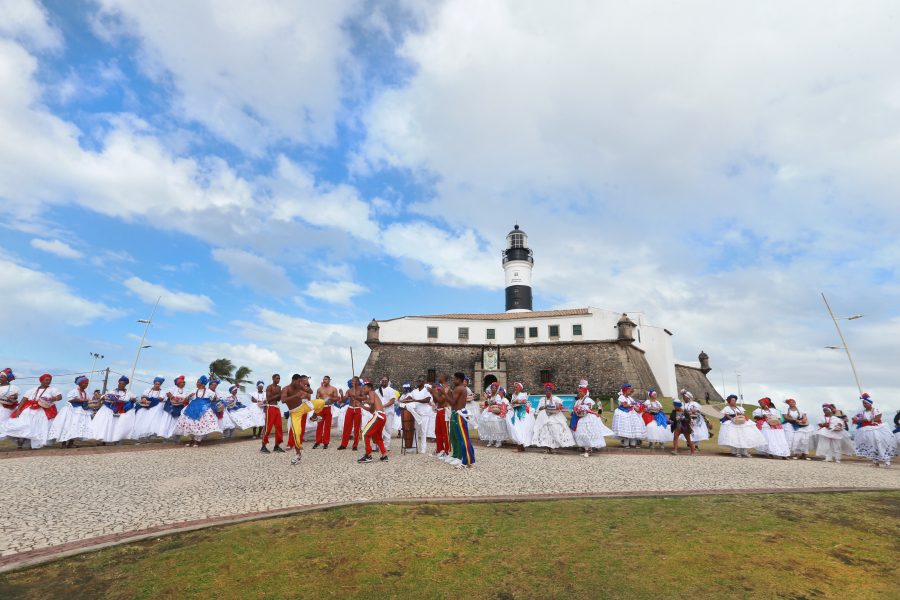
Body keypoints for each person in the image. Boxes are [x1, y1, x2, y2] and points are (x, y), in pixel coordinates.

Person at [3, 373, 60, 449]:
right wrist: (18, 410)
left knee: (36, 427)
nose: (48, 381)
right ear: (41, 380)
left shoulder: (53, 389)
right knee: (23, 425)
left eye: (50, 380)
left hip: (42, 411)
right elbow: (24, 400)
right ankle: (20, 443)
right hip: (28, 410)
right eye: (46, 380)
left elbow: (59, 397)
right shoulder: (32, 390)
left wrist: (52, 399)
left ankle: (32, 444)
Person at [174, 375, 221, 447]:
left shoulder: (209, 392)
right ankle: (191, 439)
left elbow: (215, 399)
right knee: (189, 423)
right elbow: (185, 400)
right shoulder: (193, 391)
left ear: (202, 383)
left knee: (200, 424)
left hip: (203, 410)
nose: (196, 383)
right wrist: (189, 396)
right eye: (197, 381)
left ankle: (197, 440)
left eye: (198, 382)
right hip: (192, 409)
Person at [49, 375, 94, 448]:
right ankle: (63, 444)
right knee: (68, 425)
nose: (86, 385)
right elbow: (70, 399)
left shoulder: (87, 392)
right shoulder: (73, 391)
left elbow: (89, 400)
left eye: (87, 383)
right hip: (72, 410)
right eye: (85, 383)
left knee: (76, 426)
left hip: (82, 411)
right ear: (80, 383)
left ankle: (70, 443)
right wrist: (82, 400)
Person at [851, 394, 895, 467]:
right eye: (863, 403)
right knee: (871, 445)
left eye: (866, 403)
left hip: (877, 430)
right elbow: (856, 418)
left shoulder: (876, 410)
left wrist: (868, 419)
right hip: (866, 431)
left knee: (880, 445)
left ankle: (887, 462)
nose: (864, 405)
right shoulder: (862, 412)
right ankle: (875, 462)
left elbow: (878, 418)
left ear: (870, 403)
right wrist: (855, 419)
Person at [531, 383, 575, 453]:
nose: (548, 392)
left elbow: (560, 406)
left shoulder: (555, 398)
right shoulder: (542, 399)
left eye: (549, 391)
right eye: (546, 391)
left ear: (551, 391)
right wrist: (544, 407)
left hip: (554, 416)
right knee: (545, 431)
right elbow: (539, 409)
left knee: (554, 430)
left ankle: (554, 447)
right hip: (544, 417)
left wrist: (556, 406)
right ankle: (548, 447)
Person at [92, 376, 135, 445]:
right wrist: (102, 397)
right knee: (108, 424)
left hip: (121, 410)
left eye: (123, 384)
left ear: (125, 385)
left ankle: (116, 440)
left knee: (118, 425)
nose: (120, 385)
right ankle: (103, 440)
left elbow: (133, 399)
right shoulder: (112, 391)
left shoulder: (129, 393)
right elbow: (104, 397)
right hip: (111, 409)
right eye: (119, 383)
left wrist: (132, 400)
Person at [282, 374, 315, 464]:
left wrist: (307, 384)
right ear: (294, 380)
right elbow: (283, 400)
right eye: (299, 381)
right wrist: (296, 396)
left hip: (303, 409)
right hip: (293, 412)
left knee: (301, 429)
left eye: (302, 380)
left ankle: (298, 445)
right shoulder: (286, 389)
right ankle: (290, 444)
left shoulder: (301, 386)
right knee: (292, 428)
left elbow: (311, 392)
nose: (300, 382)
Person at [571, 385, 612, 457]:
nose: (579, 393)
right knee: (582, 433)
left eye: (581, 392)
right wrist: (576, 410)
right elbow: (575, 408)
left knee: (588, 433)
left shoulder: (587, 400)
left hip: (587, 418)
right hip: (579, 418)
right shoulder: (577, 401)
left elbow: (588, 408)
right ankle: (585, 449)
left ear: (584, 392)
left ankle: (589, 450)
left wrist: (582, 409)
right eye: (579, 392)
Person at [447, 372, 475, 468]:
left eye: (454, 379)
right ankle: (468, 460)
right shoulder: (461, 388)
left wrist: (446, 394)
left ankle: (466, 461)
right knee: (462, 438)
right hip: (458, 413)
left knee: (463, 439)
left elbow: (452, 402)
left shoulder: (459, 388)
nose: (453, 381)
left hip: (459, 415)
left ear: (459, 379)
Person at [399, 377, 433, 454]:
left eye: (419, 381)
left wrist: (416, 400)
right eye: (417, 381)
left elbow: (427, 400)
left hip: (425, 414)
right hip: (416, 414)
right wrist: (403, 400)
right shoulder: (414, 391)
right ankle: (414, 447)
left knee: (423, 431)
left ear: (423, 382)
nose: (418, 382)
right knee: (416, 431)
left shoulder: (426, 390)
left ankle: (423, 449)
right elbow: (409, 397)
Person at [358, 381, 389, 463]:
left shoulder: (372, 392)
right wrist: (361, 406)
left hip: (378, 416)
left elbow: (371, 402)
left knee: (364, 434)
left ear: (369, 388)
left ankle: (368, 455)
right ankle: (384, 455)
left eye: (364, 388)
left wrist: (364, 401)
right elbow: (371, 410)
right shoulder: (373, 396)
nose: (363, 390)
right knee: (378, 438)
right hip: (382, 416)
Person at [612, 384, 646, 448]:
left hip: (631, 412)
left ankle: (633, 443)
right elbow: (625, 405)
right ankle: (626, 443)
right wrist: (633, 405)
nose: (630, 391)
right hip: (624, 413)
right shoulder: (621, 397)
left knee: (633, 426)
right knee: (627, 427)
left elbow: (634, 405)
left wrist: (638, 407)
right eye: (629, 390)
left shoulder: (630, 398)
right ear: (625, 391)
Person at [133, 377, 166, 441]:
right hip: (146, 405)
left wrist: (150, 401)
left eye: (158, 384)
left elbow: (160, 398)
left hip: (155, 405)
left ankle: (152, 433)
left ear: (160, 385)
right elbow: (143, 396)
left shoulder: (162, 391)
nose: (157, 385)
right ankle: (140, 432)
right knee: (140, 411)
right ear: (154, 384)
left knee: (157, 408)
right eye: (156, 384)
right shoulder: (148, 390)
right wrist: (144, 399)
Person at [505, 381, 535, 452]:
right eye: (514, 387)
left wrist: (516, 401)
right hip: (515, 412)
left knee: (520, 429)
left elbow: (524, 401)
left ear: (520, 388)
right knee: (516, 428)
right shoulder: (513, 395)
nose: (515, 388)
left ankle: (520, 447)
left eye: (516, 387)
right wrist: (515, 402)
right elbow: (512, 402)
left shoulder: (523, 394)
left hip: (521, 413)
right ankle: (520, 446)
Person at [338, 377, 365, 451]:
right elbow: (344, 400)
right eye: (352, 381)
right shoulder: (349, 390)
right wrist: (341, 394)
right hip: (350, 408)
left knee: (357, 427)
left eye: (354, 381)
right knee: (346, 426)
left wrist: (357, 397)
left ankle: (355, 445)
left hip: (357, 409)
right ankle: (343, 444)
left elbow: (364, 398)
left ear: (357, 382)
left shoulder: (361, 389)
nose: (352, 382)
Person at [313, 376, 340, 449]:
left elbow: (337, 398)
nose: (324, 380)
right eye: (323, 379)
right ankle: (317, 442)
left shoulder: (333, 389)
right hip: (321, 408)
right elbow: (317, 399)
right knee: (319, 425)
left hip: (329, 407)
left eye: (326, 379)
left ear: (329, 380)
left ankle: (326, 443)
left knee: (327, 426)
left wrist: (331, 398)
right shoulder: (319, 389)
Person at [158, 375, 189, 440]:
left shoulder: (186, 391)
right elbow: (168, 394)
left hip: (180, 407)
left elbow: (186, 398)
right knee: (167, 421)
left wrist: (183, 399)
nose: (184, 383)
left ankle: (174, 436)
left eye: (184, 382)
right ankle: (164, 436)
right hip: (171, 406)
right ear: (178, 383)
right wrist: (173, 397)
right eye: (182, 382)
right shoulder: (172, 388)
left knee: (176, 422)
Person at [261, 374, 284, 453]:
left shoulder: (279, 387)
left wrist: (280, 395)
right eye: (277, 378)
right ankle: (263, 447)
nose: (278, 380)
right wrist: (278, 394)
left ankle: (277, 446)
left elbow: (279, 399)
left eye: (279, 378)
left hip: (276, 407)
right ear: (273, 378)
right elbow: (268, 399)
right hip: (270, 407)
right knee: (268, 427)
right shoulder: (269, 387)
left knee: (279, 427)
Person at [376, 376, 399, 451]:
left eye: (385, 380)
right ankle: (378, 444)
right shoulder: (377, 391)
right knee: (379, 428)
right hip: (379, 412)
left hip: (389, 412)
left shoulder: (391, 390)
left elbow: (392, 401)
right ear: (380, 381)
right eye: (383, 380)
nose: (384, 382)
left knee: (388, 428)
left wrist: (383, 406)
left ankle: (386, 445)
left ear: (388, 381)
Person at [433, 376, 452, 458]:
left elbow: (441, 400)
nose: (439, 376)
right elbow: (436, 401)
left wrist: (433, 392)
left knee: (445, 432)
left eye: (441, 375)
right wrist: (433, 392)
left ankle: (447, 451)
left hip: (445, 410)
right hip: (439, 410)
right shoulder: (439, 387)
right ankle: (440, 449)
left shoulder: (447, 389)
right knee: (438, 431)